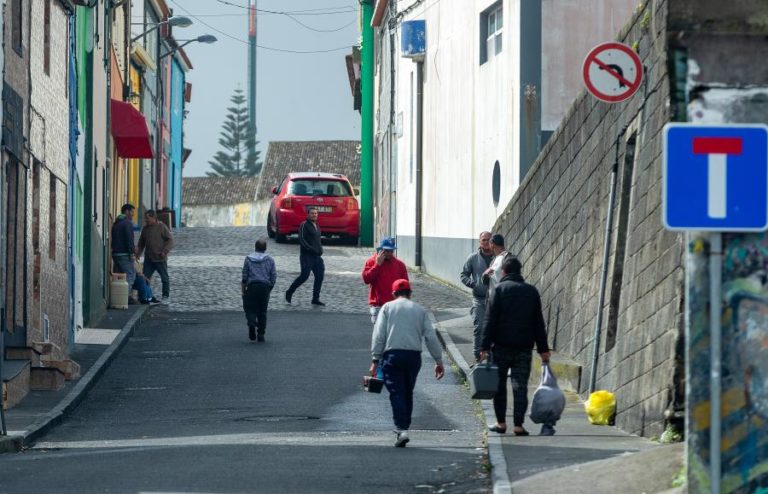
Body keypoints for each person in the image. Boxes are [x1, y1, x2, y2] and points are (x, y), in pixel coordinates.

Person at [480, 256, 551, 436]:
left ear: (503, 272)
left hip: (501, 347)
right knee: (520, 386)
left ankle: (501, 423)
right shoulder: (531, 292)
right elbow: (538, 323)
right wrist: (543, 349)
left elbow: (489, 321)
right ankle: (518, 425)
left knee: (499, 386)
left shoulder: (498, 290)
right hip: (523, 348)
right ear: (520, 272)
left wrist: (484, 346)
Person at [371, 279, 445, 447]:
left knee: (396, 392)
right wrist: (438, 360)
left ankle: (401, 428)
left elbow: (379, 335)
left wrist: (375, 359)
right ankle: (404, 427)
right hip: (413, 356)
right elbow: (431, 337)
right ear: (410, 294)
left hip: (393, 355)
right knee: (407, 390)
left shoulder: (387, 308)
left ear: (393, 293)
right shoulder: (420, 310)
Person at [460, 231, 495, 362]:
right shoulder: (473, 258)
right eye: (483, 240)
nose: (486, 242)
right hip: (479, 299)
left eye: (488, 240)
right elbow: (463, 275)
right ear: (479, 242)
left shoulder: (498, 258)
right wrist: (473, 284)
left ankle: (491, 354)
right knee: (479, 326)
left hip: (494, 299)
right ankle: (477, 355)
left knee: (493, 327)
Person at [362, 236, 409, 324]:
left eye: (391, 251)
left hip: (396, 306)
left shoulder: (400, 265)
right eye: (386, 251)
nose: (389, 253)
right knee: (379, 335)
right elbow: (366, 279)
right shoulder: (371, 262)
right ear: (380, 249)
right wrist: (377, 265)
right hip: (378, 306)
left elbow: (405, 286)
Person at [285, 207, 325, 306]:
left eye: (316, 213)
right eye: (312, 213)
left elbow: (317, 240)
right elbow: (302, 240)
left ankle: (315, 298)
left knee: (319, 277)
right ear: (308, 214)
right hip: (306, 257)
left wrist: (320, 249)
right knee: (304, 276)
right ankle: (290, 291)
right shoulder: (304, 225)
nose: (314, 215)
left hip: (317, 257)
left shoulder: (317, 225)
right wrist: (311, 249)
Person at [241, 238, 277, 342]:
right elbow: (273, 276)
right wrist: (269, 288)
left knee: (250, 308)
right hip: (264, 287)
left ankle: (252, 323)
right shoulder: (270, 260)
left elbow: (244, 276)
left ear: (255, 247)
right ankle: (261, 334)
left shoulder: (248, 259)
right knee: (262, 311)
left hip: (252, 287)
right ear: (265, 248)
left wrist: (243, 291)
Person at [137, 209, 174, 300]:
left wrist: (165, 251)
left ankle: (165, 295)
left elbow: (171, 240)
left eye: (148, 218)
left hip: (160, 258)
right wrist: (138, 253)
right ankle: (145, 296)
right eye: (145, 219)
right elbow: (141, 243)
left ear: (154, 218)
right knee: (144, 278)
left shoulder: (162, 227)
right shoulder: (145, 229)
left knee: (164, 278)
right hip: (149, 259)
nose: (146, 220)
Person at [111, 203, 138, 304]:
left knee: (118, 277)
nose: (133, 214)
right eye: (132, 212)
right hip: (124, 254)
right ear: (126, 211)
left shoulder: (116, 223)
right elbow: (129, 239)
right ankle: (125, 298)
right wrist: (132, 253)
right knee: (130, 275)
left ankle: (116, 299)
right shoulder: (127, 223)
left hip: (116, 254)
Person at [482, 234, 511, 305]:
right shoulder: (494, 260)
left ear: (492, 244)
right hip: (493, 300)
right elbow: (486, 280)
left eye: (489, 244)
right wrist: (485, 274)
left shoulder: (508, 258)